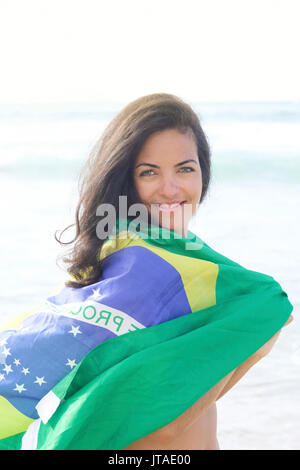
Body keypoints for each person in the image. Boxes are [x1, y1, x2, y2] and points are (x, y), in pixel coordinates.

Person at [54, 93, 293, 450]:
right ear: (124, 181)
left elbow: (191, 401)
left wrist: (246, 339)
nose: (170, 188)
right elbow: (160, 425)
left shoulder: (197, 270)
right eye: (149, 172)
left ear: (203, 173)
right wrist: (250, 343)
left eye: (185, 168)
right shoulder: (133, 278)